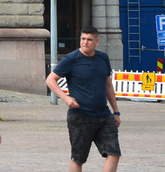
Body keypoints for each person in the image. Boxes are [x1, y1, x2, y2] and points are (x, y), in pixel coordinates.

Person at [47, 26, 121, 172]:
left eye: (89, 40)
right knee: (78, 158)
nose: (85, 42)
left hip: (104, 115)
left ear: (97, 42)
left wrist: (116, 112)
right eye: (83, 39)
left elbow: (108, 86)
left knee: (114, 153)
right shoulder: (71, 59)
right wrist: (65, 98)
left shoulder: (103, 58)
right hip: (80, 116)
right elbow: (50, 80)